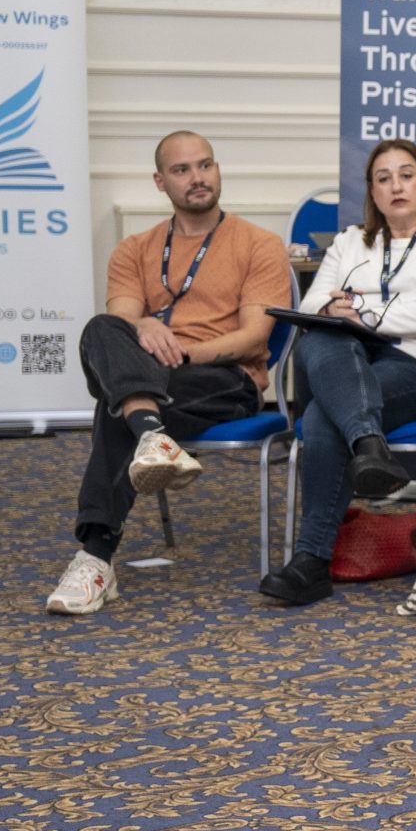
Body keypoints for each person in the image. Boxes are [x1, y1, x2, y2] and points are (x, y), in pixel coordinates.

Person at [47, 132, 293, 614]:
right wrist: (142, 326)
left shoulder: (259, 244)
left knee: (116, 405)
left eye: (205, 165)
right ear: (160, 182)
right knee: (100, 329)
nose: (197, 178)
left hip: (225, 378)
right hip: (154, 377)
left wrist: (181, 352)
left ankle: (95, 556)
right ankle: (151, 436)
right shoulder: (134, 248)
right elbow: (120, 324)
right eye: (182, 170)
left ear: (217, 169)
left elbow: (253, 339)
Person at [261, 139, 416, 606]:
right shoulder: (350, 240)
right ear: (373, 193)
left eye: (406, 175)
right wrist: (336, 312)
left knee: (324, 414)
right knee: (320, 340)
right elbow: (314, 303)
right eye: (383, 178)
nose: (396, 186)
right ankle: (368, 446)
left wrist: (364, 313)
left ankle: (311, 559)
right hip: (352, 362)